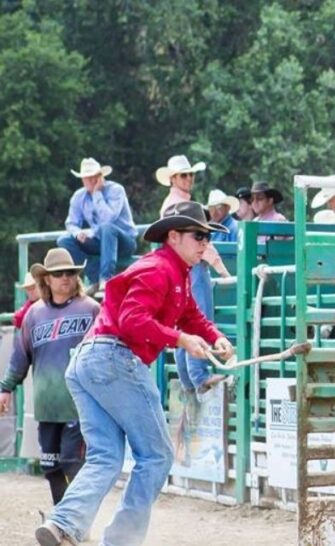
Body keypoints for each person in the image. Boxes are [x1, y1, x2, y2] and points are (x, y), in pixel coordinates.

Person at [35, 201, 234, 546]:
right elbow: (132, 320)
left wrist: (214, 335)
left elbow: (188, 315)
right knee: (157, 455)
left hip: (89, 361)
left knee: (106, 455)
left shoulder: (174, 274)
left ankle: (62, 523)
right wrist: (181, 339)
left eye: (207, 236)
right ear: (174, 236)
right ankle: (121, 541)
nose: (205, 242)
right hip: (115, 358)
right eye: (198, 235)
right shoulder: (160, 270)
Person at [0, 248, 99, 509]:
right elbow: (21, 355)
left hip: (79, 404)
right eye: (58, 273)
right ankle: (62, 517)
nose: (65, 277)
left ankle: (76, 519)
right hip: (47, 405)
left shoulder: (91, 309)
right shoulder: (34, 314)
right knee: (50, 465)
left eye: (69, 273)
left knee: (72, 462)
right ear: (47, 279)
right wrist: (6, 388)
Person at [157, 156, 230, 394]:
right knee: (199, 313)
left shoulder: (172, 204)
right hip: (192, 264)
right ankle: (199, 375)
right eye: (183, 175)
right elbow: (201, 242)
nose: (188, 179)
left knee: (183, 318)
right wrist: (222, 269)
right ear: (173, 179)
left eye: (190, 175)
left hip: (180, 264)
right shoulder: (182, 207)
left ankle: (189, 378)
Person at [57, 158, 138, 295]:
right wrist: (78, 233)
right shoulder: (79, 196)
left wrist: (97, 194)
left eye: (93, 177)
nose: (90, 181)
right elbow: (71, 223)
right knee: (64, 240)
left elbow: (108, 218)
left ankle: (106, 279)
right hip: (100, 241)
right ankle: (95, 279)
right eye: (86, 178)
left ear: (100, 177)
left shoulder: (116, 190)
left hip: (124, 242)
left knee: (107, 228)